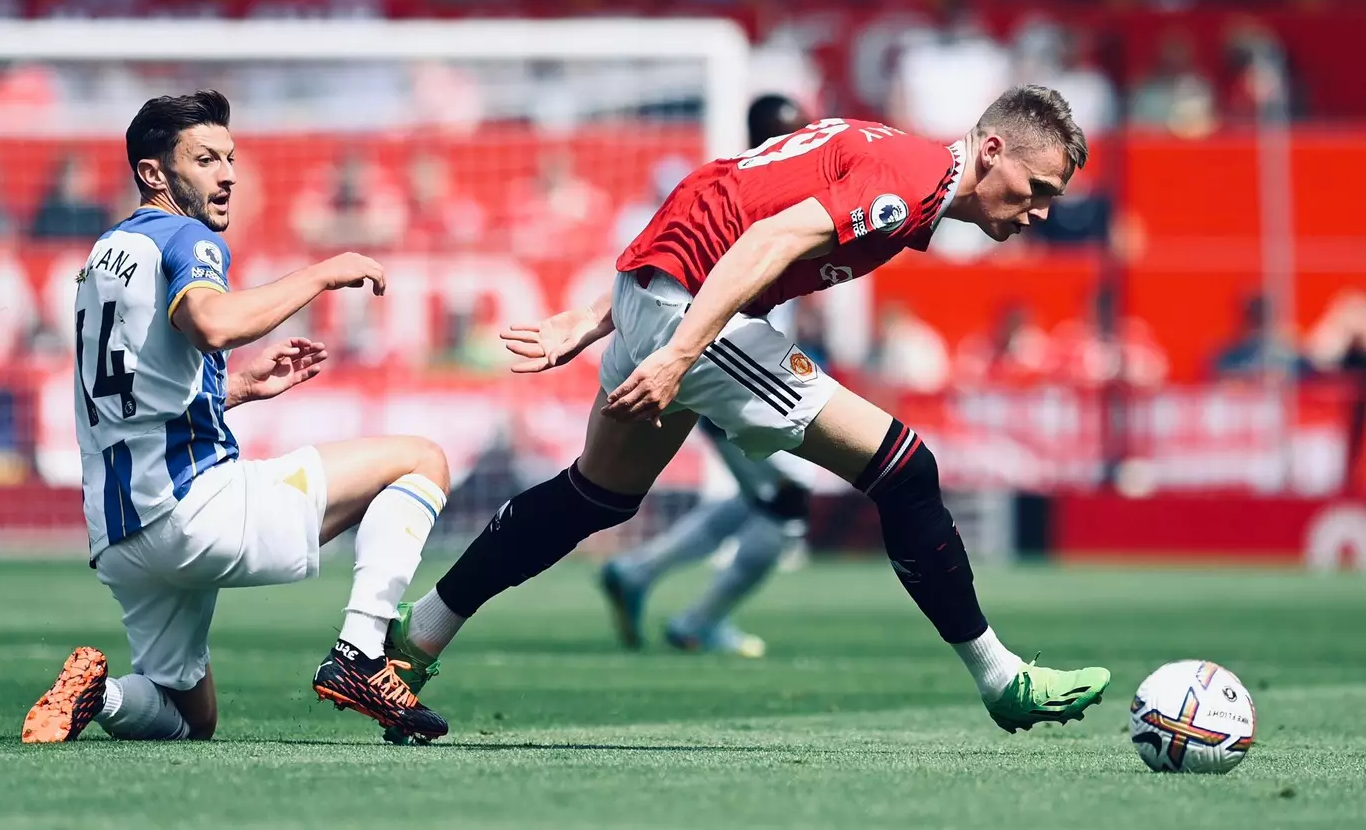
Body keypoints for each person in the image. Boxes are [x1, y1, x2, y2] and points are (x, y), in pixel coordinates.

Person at [386, 85, 1109, 738]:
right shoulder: (911, 182)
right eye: (1037, 186)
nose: (1041, 210)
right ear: (990, 150)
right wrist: (673, 351)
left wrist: (597, 315)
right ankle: (1000, 675)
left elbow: (723, 200)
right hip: (691, 312)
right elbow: (765, 239)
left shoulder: (898, 156)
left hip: (662, 290)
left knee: (593, 495)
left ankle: (412, 642)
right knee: (905, 467)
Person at [21, 91, 451, 746]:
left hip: (120, 536)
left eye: (230, 158)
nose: (226, 174)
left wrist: (244, 386)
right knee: (423, 459)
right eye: (204, 159)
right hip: (195, 509)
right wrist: (323, 272)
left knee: (191, 718)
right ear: (154, 173)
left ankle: (100, 693)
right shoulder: (185, 236)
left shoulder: (100, 258)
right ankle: (360, 654)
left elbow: (131, 397)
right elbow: (214, 323)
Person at [599, 94, 817, 659]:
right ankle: (698, 619)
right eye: (792, 133)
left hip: (741, 366)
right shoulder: (740, 202)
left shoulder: (779, 198)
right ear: (769, 136)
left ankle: (638, 573)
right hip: (721, 368)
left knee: (761, 499)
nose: (801, 142)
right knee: (787, 500)